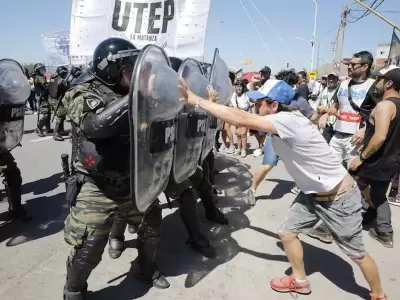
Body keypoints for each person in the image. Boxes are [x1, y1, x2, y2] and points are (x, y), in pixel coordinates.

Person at [178, 78, 388, 300]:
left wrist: (197, 100)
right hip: (312, 193)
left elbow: (241, 117)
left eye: (260, 103)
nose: (255, 107)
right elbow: (241, 119)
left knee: (357, 254)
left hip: (339, 198)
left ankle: (378, 294)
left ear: (274, 105)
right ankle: (300, 281)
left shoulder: (287, 121)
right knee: (287, 233)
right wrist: (212, 105)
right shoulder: (286, 120)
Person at [61, 38, 169, 300]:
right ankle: (73, 291)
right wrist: (137, 95)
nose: (138, 75)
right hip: (97, 184)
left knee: (151, 228)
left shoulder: (141, 93)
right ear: (112, 69)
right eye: (131, 70)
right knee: (88, 247)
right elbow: (96, 126)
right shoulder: (81, 92)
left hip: (135, 181)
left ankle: (146, 269)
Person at [246, 69, 314, 206]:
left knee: (300, 165)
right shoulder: (271, 97)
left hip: (293, 142)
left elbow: (311, 116)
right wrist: (254, 84)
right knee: (267, 165)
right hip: (275, 138)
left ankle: (298, 185)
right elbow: (255, 100)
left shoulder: (300, 101)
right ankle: (252, 190)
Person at [349, 65, 400, 248]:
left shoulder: (385, 105)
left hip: (374, 161)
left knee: (348, 190)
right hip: (391, 162)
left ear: (389, 83)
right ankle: (384, 232)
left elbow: (379, 136)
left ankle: (328, 227)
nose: (377, 82)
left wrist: (361, 158)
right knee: (378, 195)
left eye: (380, 79)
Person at [313, 73, 340, 143]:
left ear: (337, 79)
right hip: (326, 123)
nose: (331, 80)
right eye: (329, 78)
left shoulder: (340, 90)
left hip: (337, 123)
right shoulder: (324, 90)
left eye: (333, 78)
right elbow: (318, 104)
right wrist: (319, 108)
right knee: (325, 143)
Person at [230, 80, 252, 157]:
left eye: (240, 86)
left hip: (245, 116)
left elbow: (250, 105)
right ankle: (238, 149)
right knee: (238, 134)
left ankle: (243, 150)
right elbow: (233, 105)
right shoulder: (234, 95)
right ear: (235, 87)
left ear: (243, 87)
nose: (239, 88)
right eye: (237, 86)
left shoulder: (246, 95)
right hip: (237, 116)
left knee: (243, 134)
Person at [49, 66, 69, 141]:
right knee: (60, 114)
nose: (65, 74)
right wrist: (69, 75)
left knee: (63, 114)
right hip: (55, 99)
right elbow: (62, 83)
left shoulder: (55, 77)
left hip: (56, 98)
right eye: (65, 73)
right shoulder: (57, 79)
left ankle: (61, 130)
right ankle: (56, 133)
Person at [32, 63, 52, 137]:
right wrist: (49, 80)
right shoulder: (38, 77)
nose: (43, 70)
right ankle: (39, 128)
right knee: (46, 114)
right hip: (42, 97)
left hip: (45, 96)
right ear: (37, 70)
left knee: (48, 113)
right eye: (41, 69)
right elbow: (46, 87)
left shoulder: (41, 77)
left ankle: (48, 128)